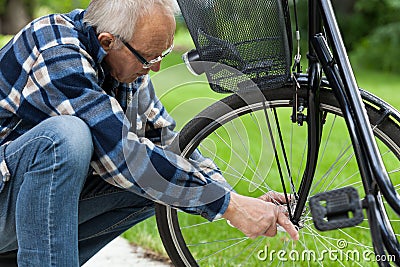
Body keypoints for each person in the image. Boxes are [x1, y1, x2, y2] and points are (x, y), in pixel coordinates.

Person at [0, 0, 298, 266]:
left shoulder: (123, 62)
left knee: (165, 182)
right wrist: (229, 207)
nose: (155, 67)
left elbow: (170, 144)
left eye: (163, 54)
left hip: (17, 210)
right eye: (149, 57)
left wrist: (231, 198)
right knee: (66, 137)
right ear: (107, 42)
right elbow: (122, 157)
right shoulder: (54, 49)